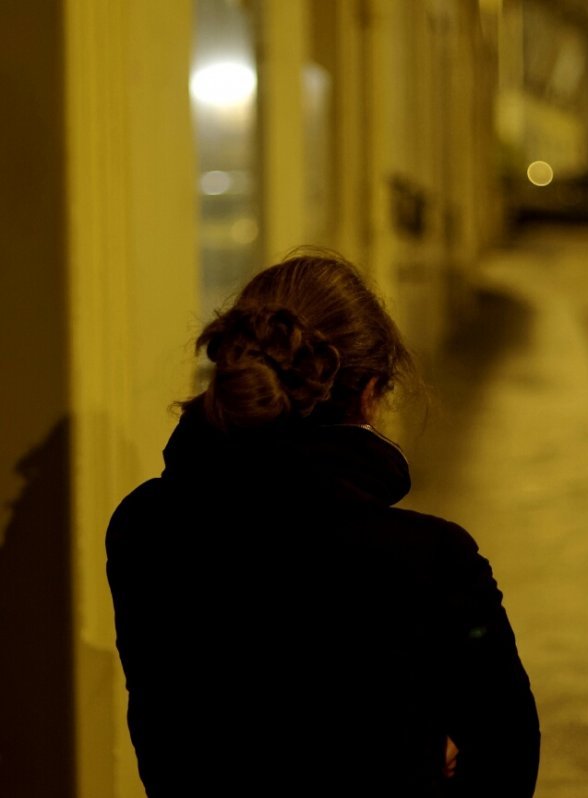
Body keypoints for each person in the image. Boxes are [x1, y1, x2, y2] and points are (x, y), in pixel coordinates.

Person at [106, 251, 540, 796]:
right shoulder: (431, 560)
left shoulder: (144, 527)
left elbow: (177, 740)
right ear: (370, 393)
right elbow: (505, 760)